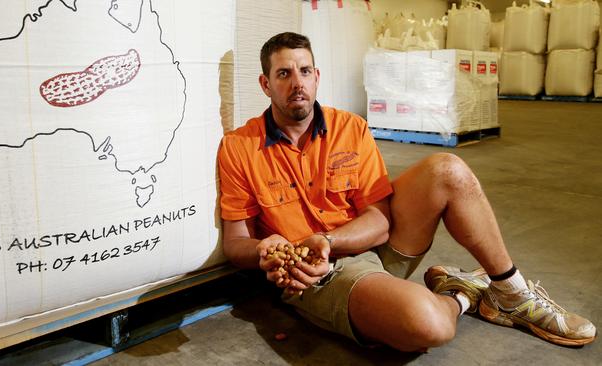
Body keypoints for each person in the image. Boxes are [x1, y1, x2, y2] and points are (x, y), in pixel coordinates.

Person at [217, 32, 596, 351]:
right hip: (317, 273)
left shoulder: (350, 128)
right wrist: (264, 249)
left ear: (317, 76)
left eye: (304, 71)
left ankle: (510, 291)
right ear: (266, 84)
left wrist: (328, 239)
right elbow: (236, 243)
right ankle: (465, 295)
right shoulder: (239, 147)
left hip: (368, 244)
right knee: (428, 323)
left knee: (448, 170)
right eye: (283, 73)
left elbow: (380, 222)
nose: (296, 82)